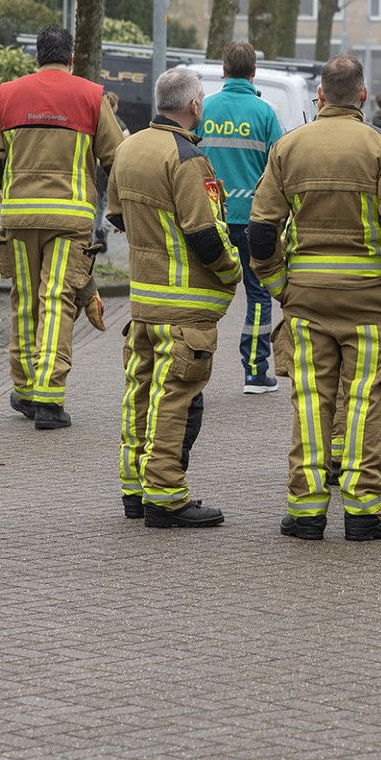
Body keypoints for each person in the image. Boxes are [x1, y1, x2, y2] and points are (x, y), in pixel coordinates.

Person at [251, 55, 381, 542]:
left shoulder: (288, 146)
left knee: (310, 402)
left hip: (304, 301)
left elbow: (262, 232)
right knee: (364, 403)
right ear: (363, 95)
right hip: (369, 303)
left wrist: (280, 286)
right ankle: (363, 511)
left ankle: (306, 512)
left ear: (320, 96)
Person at [109, 67, 241, 528]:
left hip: (143, 304)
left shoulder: (128, 149)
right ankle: (165, 496)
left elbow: (116, 215)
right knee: (174, 401)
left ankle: (135, 490)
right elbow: (205, 233)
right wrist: (232, 271)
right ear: (194, 106)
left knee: (140, 396)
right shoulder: (187, 158)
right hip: (184, 307)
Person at [0, 26, 124, 430]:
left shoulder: (9, 94)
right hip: (70, 218)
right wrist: (118, 212)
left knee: (25, 300)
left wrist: (7, 189)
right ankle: (48, 398)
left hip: (20, 217)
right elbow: (116, 159)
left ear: (37, 57)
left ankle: (24, 389)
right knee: (56, 300)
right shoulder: (91, 96)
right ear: (71, 58)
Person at [196, 41, 284, 393]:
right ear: (254, 72)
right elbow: (278, 170)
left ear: (223, 69)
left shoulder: (204, 110)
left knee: (201, 293)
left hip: (207, 219)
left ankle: (194, 364)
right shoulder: (264, 114)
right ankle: (255, 371)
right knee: (259, 294)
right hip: (252, 221)